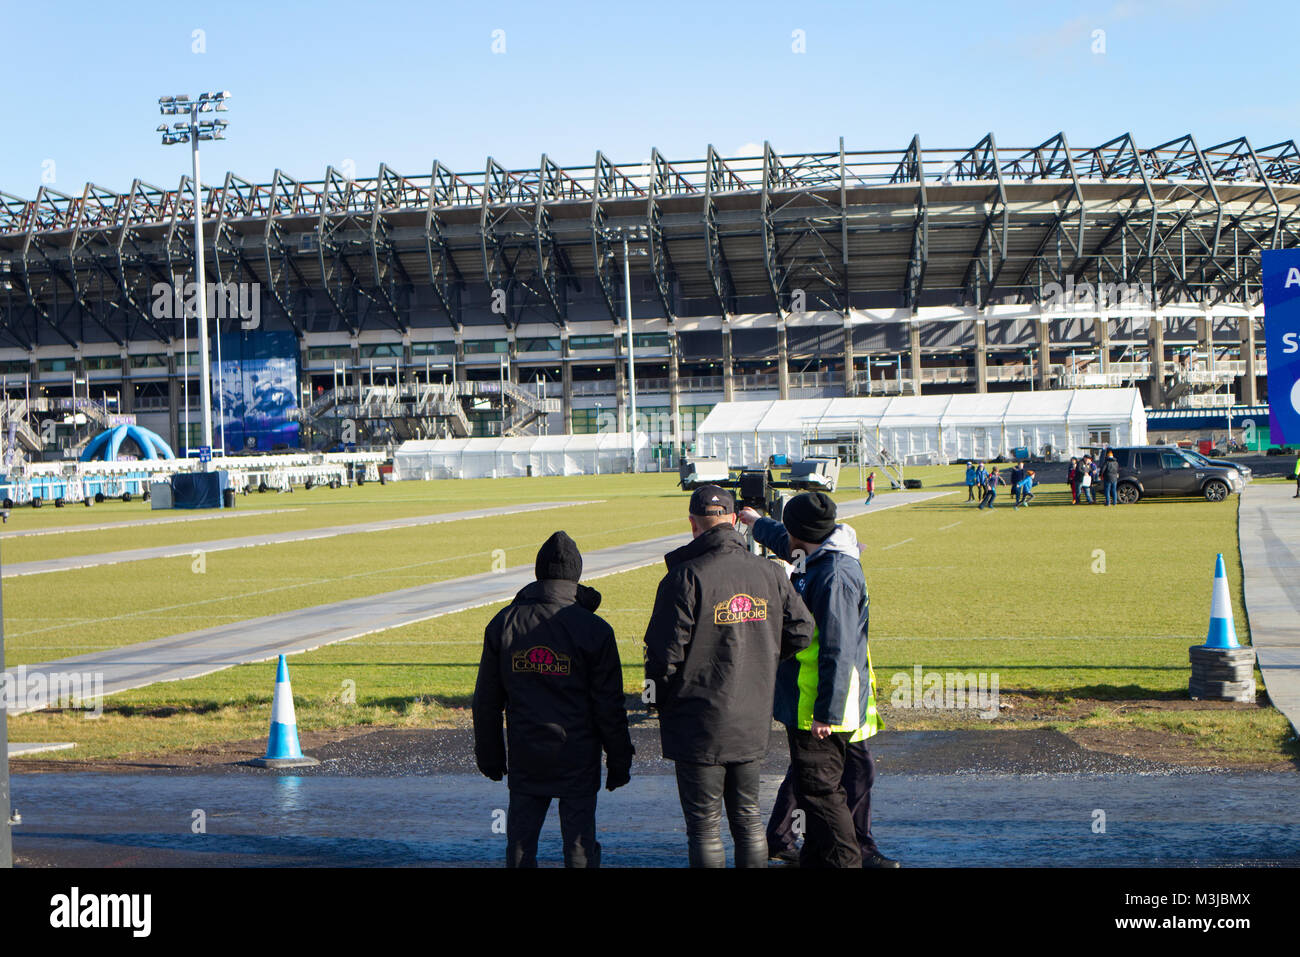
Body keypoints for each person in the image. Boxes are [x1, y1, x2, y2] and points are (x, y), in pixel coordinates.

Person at [643, 485, 815, 868]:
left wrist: (660, 700)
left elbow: (662, 656)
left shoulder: (684, 577)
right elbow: (803, 630)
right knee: (748, 818)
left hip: (697, 717)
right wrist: (764, 658)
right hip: (750, 713)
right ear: (736, 520)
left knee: (704, 826)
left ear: (692, 525)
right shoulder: (769, 571)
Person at [739, 492, 895, 869]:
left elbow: (837, 650)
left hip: (822, 708)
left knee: (822, 793)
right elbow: (786, 538)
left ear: (802, 534)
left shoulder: (834, 575)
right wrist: (754, 521)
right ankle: (815, 852)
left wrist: (826, 711)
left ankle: (849, 857)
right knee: (818, 788)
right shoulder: (820, 552)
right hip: (822, 702)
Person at [472, 531, 634, 868]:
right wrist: (618, 760)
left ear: (538, 573)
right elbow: (609, 705)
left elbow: (487, 701)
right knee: (579, 847)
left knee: (520, 845)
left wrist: (490, 755)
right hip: (577, 753)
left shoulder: (504, 623)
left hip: (527, 752)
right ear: (576, 575)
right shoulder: (595, 629)